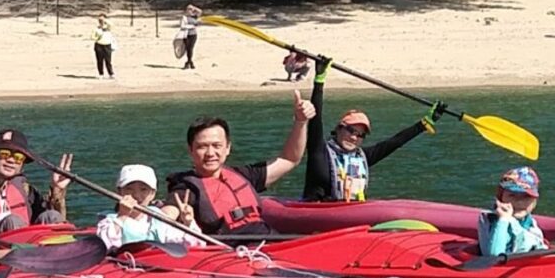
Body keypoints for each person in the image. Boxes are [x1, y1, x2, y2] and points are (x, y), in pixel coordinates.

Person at [164, 92, 316, 237]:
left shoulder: (244, 175)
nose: (210, 153)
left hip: (267, 240)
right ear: (191, 150)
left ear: (227, 148)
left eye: (217, 146)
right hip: (233, 251)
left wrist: (300, 122)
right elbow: (168, 213)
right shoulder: (185, 189)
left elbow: (289, 160)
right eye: (202, 146)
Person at [299, 56, 439, 202]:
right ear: (339, 129)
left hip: (350, 215)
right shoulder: (319, 150)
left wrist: (424, 124)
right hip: (314, 212)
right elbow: (316, 119)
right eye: (351, 131)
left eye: (360, 135)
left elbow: (395, 142)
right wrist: (320, 80)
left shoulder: (363, 157)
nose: (354, 137)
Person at [0, 129, 69, 234]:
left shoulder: (26, 190)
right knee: (12, 221)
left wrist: (57, 190)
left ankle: (65, 251)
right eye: (4, 154)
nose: (11, 160)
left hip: (30, 246)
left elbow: (48, 218)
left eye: (18, 157)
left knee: (52, 215)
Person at [93, 165, 196, 250]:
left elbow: (191, 245)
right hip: (124, 267)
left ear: (152, 194)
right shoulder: (109, 221)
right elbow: (104, 246)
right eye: (129, 189)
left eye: (143, 189)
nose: (137, 195)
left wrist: (189, 223)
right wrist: (122, 216)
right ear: (119, 192)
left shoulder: (159, 219)